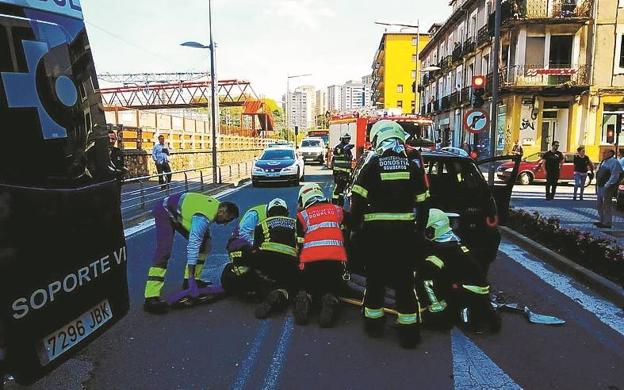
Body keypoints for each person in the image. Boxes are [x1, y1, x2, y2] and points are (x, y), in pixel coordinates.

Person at [350, 120, 430, 349]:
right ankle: (409, 333)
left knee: (375, 281)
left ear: (378, 140)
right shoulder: (412, 167)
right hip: (404, 236)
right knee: (405, 283)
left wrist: (356, 229)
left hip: (375, 237)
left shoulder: (372, 165)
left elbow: (357, 201)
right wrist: (419, 230)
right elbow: (423, 204)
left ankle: (374, 326)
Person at [143, 192, 239, 314]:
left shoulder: (215, 207)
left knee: (205, 244)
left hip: (178, 212)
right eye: (227, 219)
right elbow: (194, 244)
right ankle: (151, 297)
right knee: (164, 251)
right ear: (223, 211)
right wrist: (191, 270)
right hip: (165, 211)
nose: (225, 223)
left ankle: (190, 281)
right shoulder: (204, 216)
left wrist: (192, 279)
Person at [417, 209, 501, 333]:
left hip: (465, 290)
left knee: (425, 275)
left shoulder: (445, 248)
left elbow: (432, 266)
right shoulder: (452, 240)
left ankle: (437, 316)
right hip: (471, 288)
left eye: (426, 230)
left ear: (434, 228)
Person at [294, 183, 348, 328]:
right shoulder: (338, 210)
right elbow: (349, 233)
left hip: (311, 264)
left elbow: (299, 246)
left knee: (307, 283)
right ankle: (330, 298)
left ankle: (306, 296)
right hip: (335, 263)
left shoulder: (302, 216)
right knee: (333, 285)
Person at [251, 199, 299, 319]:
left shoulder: (261, 225)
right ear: (286, 213)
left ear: (268, 213)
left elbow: (255, 249)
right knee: (292, 286)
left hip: (268, 262)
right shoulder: (296, 223)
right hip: (290, 262)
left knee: (260, 280)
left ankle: (269, 293)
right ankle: (284, 294)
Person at [221, 201, 272, 299]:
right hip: (239, 244)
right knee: (248, 271)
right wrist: (257, 246)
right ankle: (236, 282)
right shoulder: (254, 214)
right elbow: (244, 233)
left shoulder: (272, 216)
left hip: (253, 245)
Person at [594, 149, 622, 229]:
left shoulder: (614, 162)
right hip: (600, 185)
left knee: (606, 205)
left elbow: (615, 175)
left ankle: (607, 223)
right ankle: (601, 220)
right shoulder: (604, 161)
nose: (603, 154)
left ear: (610, 153)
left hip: (607, 187)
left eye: (605, 152)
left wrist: (608, 184)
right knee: (599, 204)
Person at [331, 133, 354, 206]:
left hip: (346, 173)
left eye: (349, 138)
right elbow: (337, 151)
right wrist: (344, 148)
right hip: (339, 172)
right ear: (342, 139)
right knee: (337, 190)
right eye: (346, 138)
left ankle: (340, 205)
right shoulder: (339, 147)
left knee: (342, 191)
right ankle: (334, 204)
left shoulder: (348, 150)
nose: (348, 140)